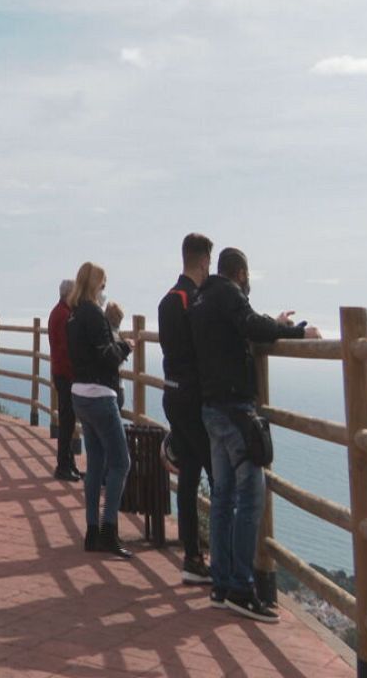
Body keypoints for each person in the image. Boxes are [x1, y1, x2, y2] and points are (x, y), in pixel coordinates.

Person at [190, 247, 322, 622]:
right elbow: (249, 325)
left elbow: (242, 323)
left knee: (222, 497)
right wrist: (297, 332)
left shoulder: (202, 299)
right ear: (242, 274)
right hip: (235, 408)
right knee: (250, 496)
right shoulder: (228, 294)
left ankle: (221, 584)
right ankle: (241, 588)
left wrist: (270, 321)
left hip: (211, 407)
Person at [66, 262, 133, 560]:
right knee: (120, 463)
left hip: (79, 395)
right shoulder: (94, 314)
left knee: (95, 464)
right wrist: (126, 347)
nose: (105, 289)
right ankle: (109, 530)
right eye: (103, 283)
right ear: (95, 284)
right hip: (100, 395)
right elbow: (107, 356)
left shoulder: (73, 315)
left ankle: (92, 531)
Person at [158, 232, 214, 585]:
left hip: (172, 393)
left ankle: (192, 556)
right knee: (218, 478)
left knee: (189, 478)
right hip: (195, 399)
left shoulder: (168, 299)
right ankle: (222, 562)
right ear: (205, 261)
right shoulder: (193, 300)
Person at [47, 278, 81, 481]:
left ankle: (69, 463)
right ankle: (63, 465)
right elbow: (66, 348)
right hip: (65, 374)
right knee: (67, 422)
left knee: (68, 420)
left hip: (61, 372)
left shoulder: (59, 312)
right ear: (70, 293)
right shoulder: (64, 315)